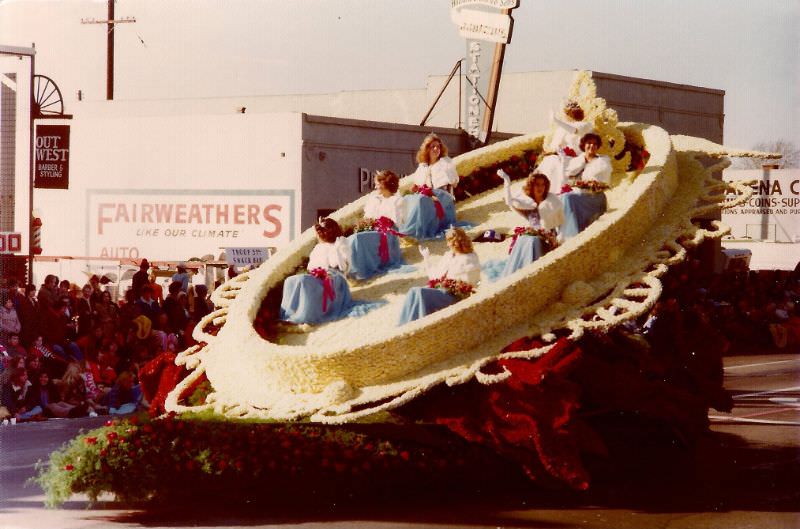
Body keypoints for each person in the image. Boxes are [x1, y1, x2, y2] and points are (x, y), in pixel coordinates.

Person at [398, 227, 480, 325]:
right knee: (413, 291)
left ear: (456, 242)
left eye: (449, 241)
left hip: (454, 295)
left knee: (421, 293)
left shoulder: (468, 258)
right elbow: (435, 275)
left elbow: (471, 282)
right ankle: (404, 325)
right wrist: (426, 258)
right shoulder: (448, 255)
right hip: (442, 290)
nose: (447, 244)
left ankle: (420, 324)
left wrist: (453, 285)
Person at [279, 218, 353, 324]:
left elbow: (342, 267)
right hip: (318, 276)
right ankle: (289, 314)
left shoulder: (341, 243)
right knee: (290, 280)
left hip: (334, 279)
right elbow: (311, 267)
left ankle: (303, 316)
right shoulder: (318, 247)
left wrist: (335, 250)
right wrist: (317, 272)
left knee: (303, 280)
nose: (320, 236)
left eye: (324, 232)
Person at [497, 171, 564, 277]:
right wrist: (507, 182)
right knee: (524, 239)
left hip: (548, 237)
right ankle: (519, 274)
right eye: (537, 184)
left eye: (543, 185)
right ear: (531, 186)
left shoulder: (551, 201)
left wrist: (557, 239)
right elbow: (509, 201)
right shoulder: (528, 204)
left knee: (532, 241)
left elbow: (560, 222)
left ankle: (533, 273)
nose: (540, 187)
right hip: (532, 235)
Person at [349, 170, 406, 280]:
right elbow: (368, 217)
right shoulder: (373, 199)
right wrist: (367, 224)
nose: (375, 187)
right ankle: (354, 268)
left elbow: (398, 223)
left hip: (387, 234)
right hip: (373, 229)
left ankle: (360, 271)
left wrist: (382, 222)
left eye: (377, 184)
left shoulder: (397, 201)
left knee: (358, 238)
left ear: (385, 184)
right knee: (352, 238)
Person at [401, 134, 458, 239]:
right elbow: (418, 185)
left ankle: (413, 232)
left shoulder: (445, 162)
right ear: (427, 149)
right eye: (433, 147)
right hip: (426, 194)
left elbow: (454, 182)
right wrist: (415, 188)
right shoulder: (422, 166)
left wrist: (448, 175)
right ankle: (410, 229)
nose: (436, 149)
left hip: (442, 195)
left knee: (421, 200)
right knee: (407, 199)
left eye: (438, 146)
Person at [559, 133, 613, 239]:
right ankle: (563, 233)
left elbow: (604, 182)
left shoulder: (603, 162)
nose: (592, 146)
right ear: (584, 145)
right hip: (578, 194)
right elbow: (568, 176)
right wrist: (582, 162)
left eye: (595, 144)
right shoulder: (577, 160)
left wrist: (590, 185)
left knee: (567, 198)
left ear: (598, 147)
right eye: (589, 143)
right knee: (562, 198)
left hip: (594, 197)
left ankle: (571, 235)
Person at [536, 101, 594, 190]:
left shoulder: (585, 125)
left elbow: (574, 130)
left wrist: (556, 121)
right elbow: (556, 145)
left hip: (579, 157)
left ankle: (560, 190)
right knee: (551, 160)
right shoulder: (562, 129)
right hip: (565, 156)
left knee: (559, 164)